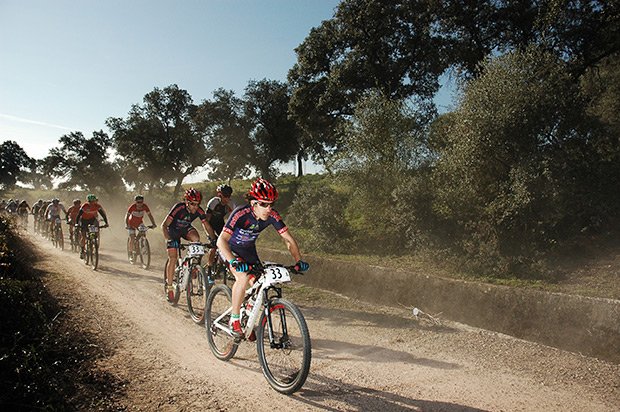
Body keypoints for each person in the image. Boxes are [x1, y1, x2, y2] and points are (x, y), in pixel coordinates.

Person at [217, 178, 309, 338]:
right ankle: (235, 319)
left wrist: (298, 260)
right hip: (230, 250)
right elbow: (221, 241)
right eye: (264, 204)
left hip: (248, 251)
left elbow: (288, 239)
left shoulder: (273, 216)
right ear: (253, 203)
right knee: (243, 277)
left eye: (271, 204)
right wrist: (232, 260)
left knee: (261, 283)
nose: (268, 208)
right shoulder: (240, 213)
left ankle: (247, 314)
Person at [162, 187, 215, 302]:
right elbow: (164, 225)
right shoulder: (178, 208)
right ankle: (169, 287)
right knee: (173, 257)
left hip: (185, 229)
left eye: (197, 204)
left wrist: (213, 240)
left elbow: (207, 226)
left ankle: (191, 267)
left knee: (196, 238)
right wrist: (168, 240)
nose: (195, 207)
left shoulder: (199, 210)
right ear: (186, 202)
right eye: (192, 204)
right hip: (173, 231)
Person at [205, 184, 236, 276]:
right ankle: (209, 268)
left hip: (220, 224)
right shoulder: (214, 202)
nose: (227, 199)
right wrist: (210, 235)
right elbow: (206, 220)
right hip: (210, 224)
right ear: (220, 195)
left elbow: (235, 220)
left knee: (225, 244)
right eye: (225, 196)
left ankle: (219, 265)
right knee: (214, 246)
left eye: (229, 196)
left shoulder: (231, 204)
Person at [75, 194, 109, 258]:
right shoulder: (84, 206)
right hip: (84, 220)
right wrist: (77, 223)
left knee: (96, 226)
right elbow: (79, 215)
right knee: (84, 235)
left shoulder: (97, 206)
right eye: (90, 202)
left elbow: (103, 215)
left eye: (93, 201)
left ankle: (94, 239)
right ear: (88, 201)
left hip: (92, 219)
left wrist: (106, 223)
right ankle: (82, 250)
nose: (92, 203)